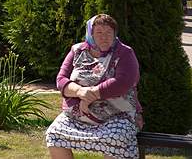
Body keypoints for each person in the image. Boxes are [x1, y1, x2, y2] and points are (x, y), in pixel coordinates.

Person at [46, 14, 142, 159]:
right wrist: (80, 91)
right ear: (90, 34)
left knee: (114, 139)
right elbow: (61, 80)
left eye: (109, 32)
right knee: (54, 134)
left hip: (117, 116)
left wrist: (91, 95)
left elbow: (122, 82)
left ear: (115, 34)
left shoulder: (124, 53)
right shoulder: (77, 51)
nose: (104, 37)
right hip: (78, 116)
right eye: (99, 32)